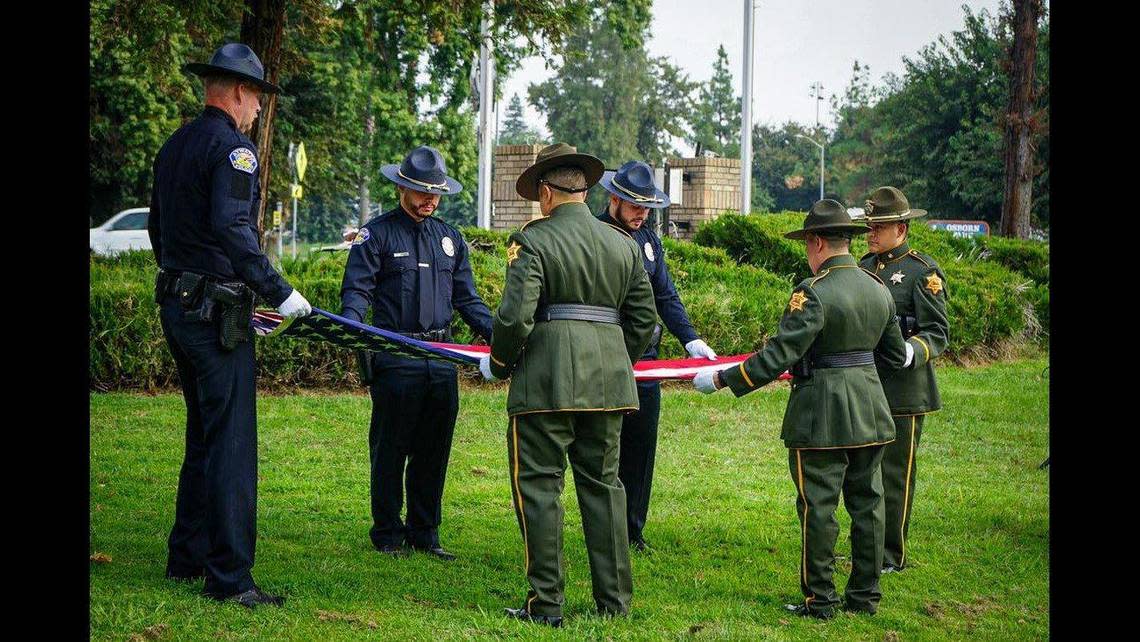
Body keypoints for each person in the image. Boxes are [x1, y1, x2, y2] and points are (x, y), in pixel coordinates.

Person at [149, 42, 312, 608]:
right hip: (215, 315)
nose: (260, 109)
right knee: (232, 445)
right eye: (259, 98)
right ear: (240, 92)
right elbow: (234, 228)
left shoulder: (174, 147)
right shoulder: (235, 150)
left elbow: (158, 230)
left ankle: (185, 557)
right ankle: (231, 578)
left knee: (203, 436)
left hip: (177, 305)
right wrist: (280, 291)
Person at [692, 199, 911, 619]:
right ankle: (864, 597)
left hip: (822, 415)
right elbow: (894, 354)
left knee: (819, 507)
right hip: (872, 410)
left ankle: (821, 600)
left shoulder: (812, 293)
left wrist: (722, 379)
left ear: (815, 242)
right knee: (868, 504)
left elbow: (778, 356)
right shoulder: (879, 288)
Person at [478, 143, 657, 627]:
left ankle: (546, 604)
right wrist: (617, 359)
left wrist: (499, 362)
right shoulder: (623, 244)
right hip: (608, 386)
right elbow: (646, 323)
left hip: (546, 383)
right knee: (604, 488)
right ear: (585, 191)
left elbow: (515, 318)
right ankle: (615, 602)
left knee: (539, 487)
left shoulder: (531, 241)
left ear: (545, 193)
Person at [339, 146, 493, 560]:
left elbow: (468, 299)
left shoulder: (449, 237)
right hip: (396, 355)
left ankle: (426, 533)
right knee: (390, 449)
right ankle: (388, 533)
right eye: (422, 192)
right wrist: (350, 330)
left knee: (433, 450)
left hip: (441, 358)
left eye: (436, 193)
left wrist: (500, 334)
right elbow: (356, 292)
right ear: (402, 187)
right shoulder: (377, 235)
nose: (430, 200)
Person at [596, 160, 717, 552]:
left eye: (647, 208)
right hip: (605, 356)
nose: (641, 214)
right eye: (635, 206)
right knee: (604, 449)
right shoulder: (595, 234)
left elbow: (664, 295)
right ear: (613, 199)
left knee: (641, 449)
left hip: (647, 360)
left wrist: (690, 339)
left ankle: (632, 531)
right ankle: (605, 528)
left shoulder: (648, 239)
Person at [858, 186, 949, 574]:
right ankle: (869, 546)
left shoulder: (921, 271)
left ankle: (890, 554)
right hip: (867, 384)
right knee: (864, 471)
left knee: (894, 476)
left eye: (880, 226)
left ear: (901, 228)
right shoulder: (862, 266)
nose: (871, 234)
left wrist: (912, 351)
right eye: (869, 226)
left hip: (904, 390)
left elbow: (937, 331)